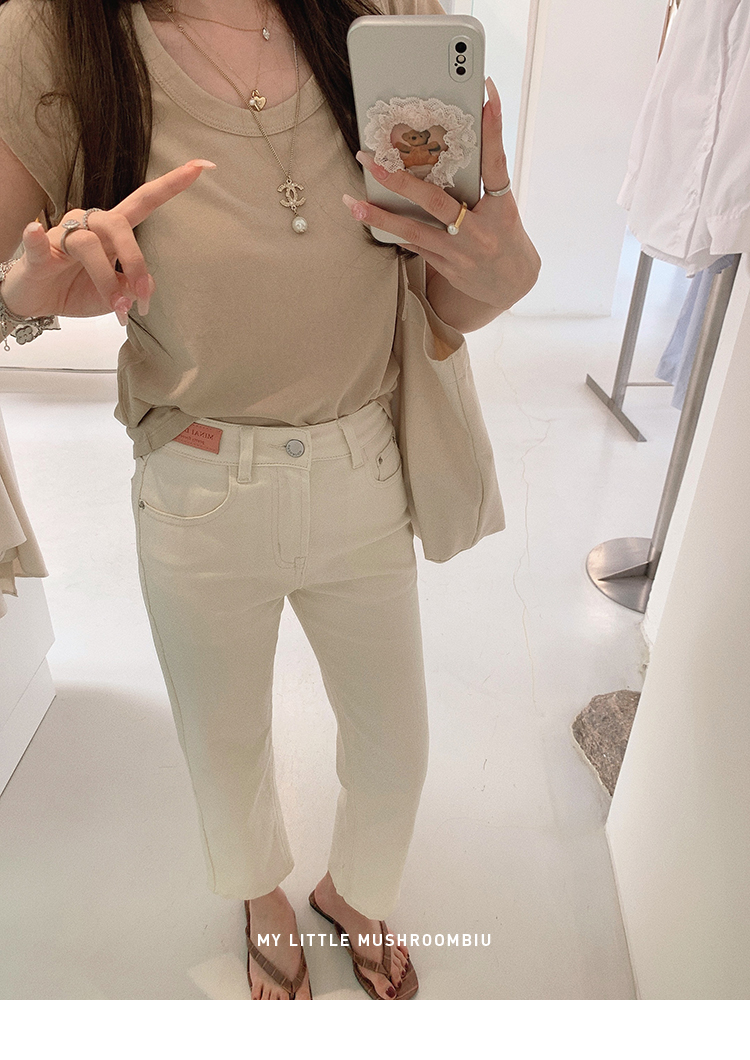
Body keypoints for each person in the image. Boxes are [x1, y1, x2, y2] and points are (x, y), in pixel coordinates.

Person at [0, 0, 540, 1000]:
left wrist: (499, 270)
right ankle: (261, 897)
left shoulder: (386, 14)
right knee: (224, 742)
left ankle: (355, 891)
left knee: (395, 745)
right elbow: (5, 283)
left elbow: (440, 294)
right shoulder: (48, 34)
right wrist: (26, 293)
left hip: (362, 460)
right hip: (197, 476)